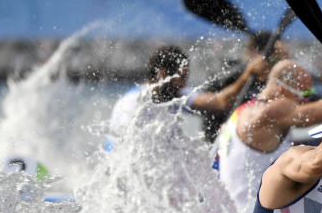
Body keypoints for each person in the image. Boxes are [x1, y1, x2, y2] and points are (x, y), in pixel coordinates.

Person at [215, 48, 322, 213]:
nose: (306, 100)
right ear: (282, 89)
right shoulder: (273, 110)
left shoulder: (245, 110)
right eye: (304, 93)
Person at [107, 45, 257, 144]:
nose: (184, 85)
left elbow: (220, 102)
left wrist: (247, 74)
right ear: (162, 74)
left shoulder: (174, 94)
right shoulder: (134, 103)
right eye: (181, 78)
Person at [198, 30, 289, 142]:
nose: (279, 66)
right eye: (275, 60)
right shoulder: (230, 73)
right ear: (256, 56)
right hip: (219, 143)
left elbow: (304, 99)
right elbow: (220, 102)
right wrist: (247, 76)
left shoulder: (273, 83)